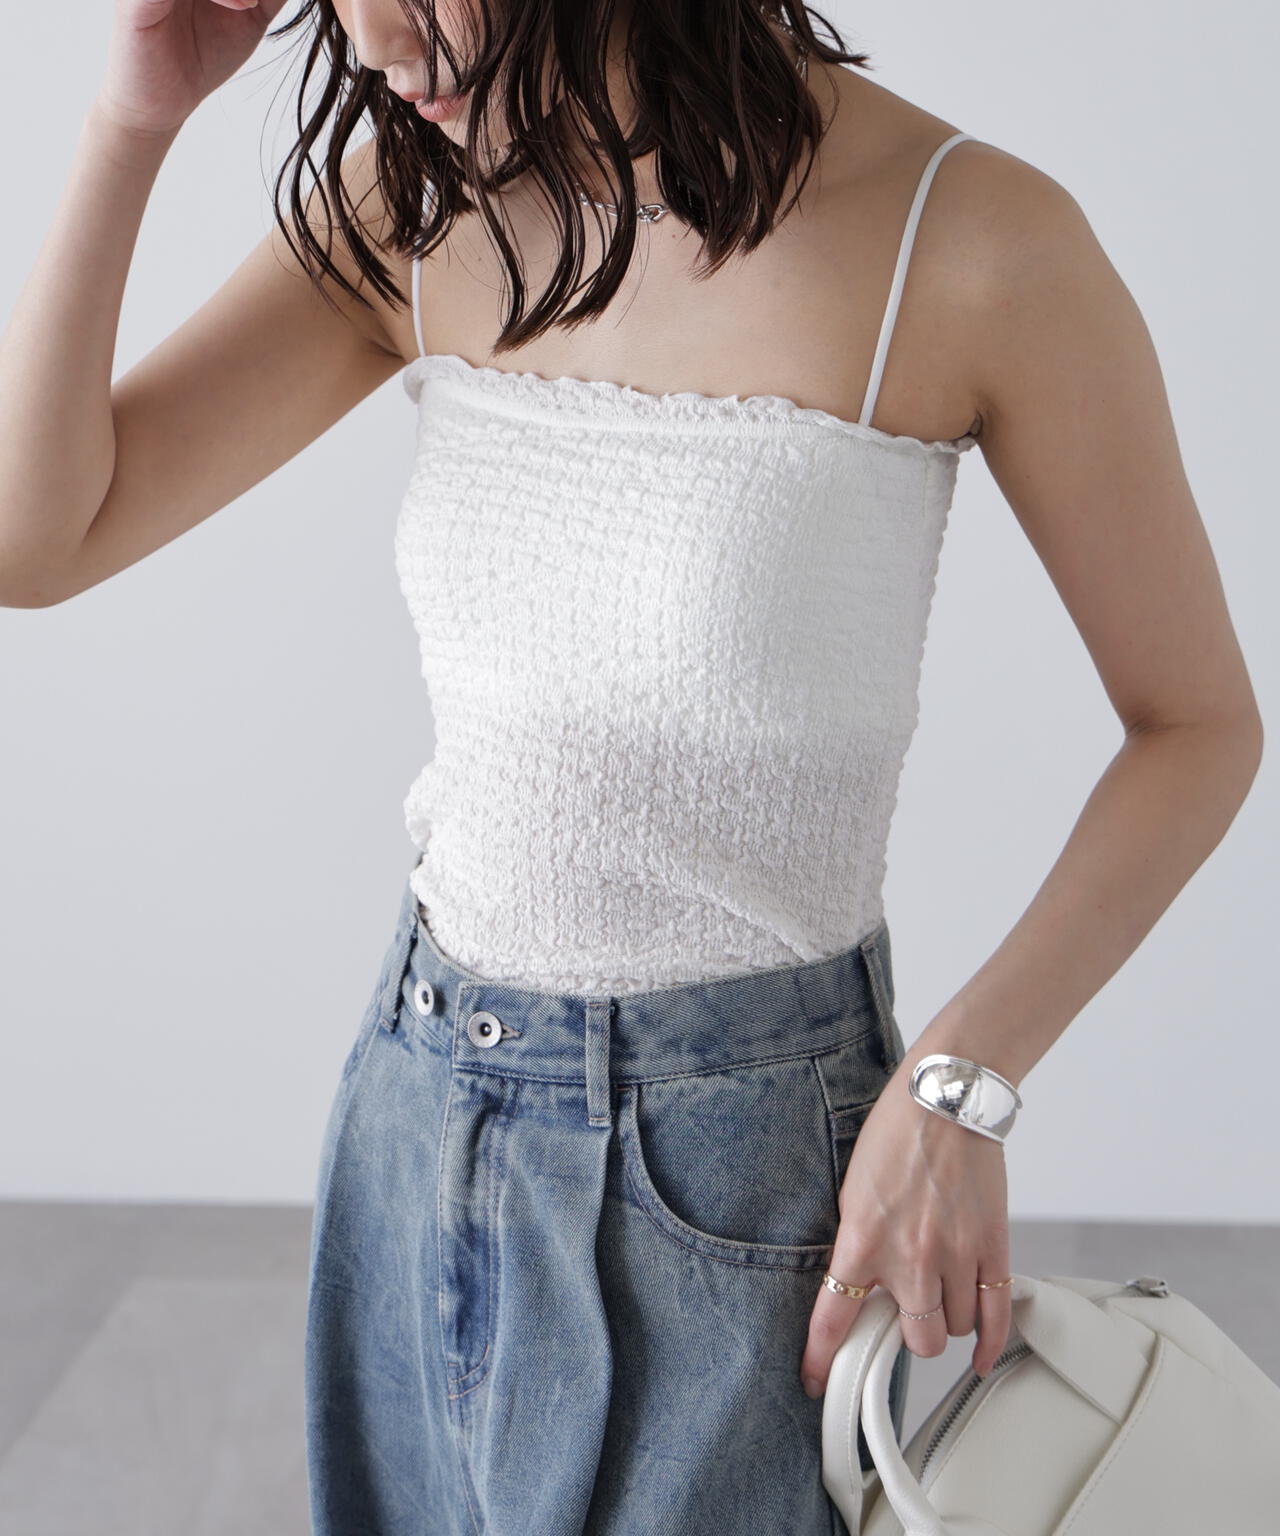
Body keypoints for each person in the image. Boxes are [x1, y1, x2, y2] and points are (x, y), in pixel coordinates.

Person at [0, 1, 1262, 1532]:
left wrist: (960, 1088)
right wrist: (131, 124)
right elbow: (36, 541)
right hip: (418, 1111)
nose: (375, 35)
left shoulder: (972, 239)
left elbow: (1198, 724)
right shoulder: (419, 204)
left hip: (738, 1175)